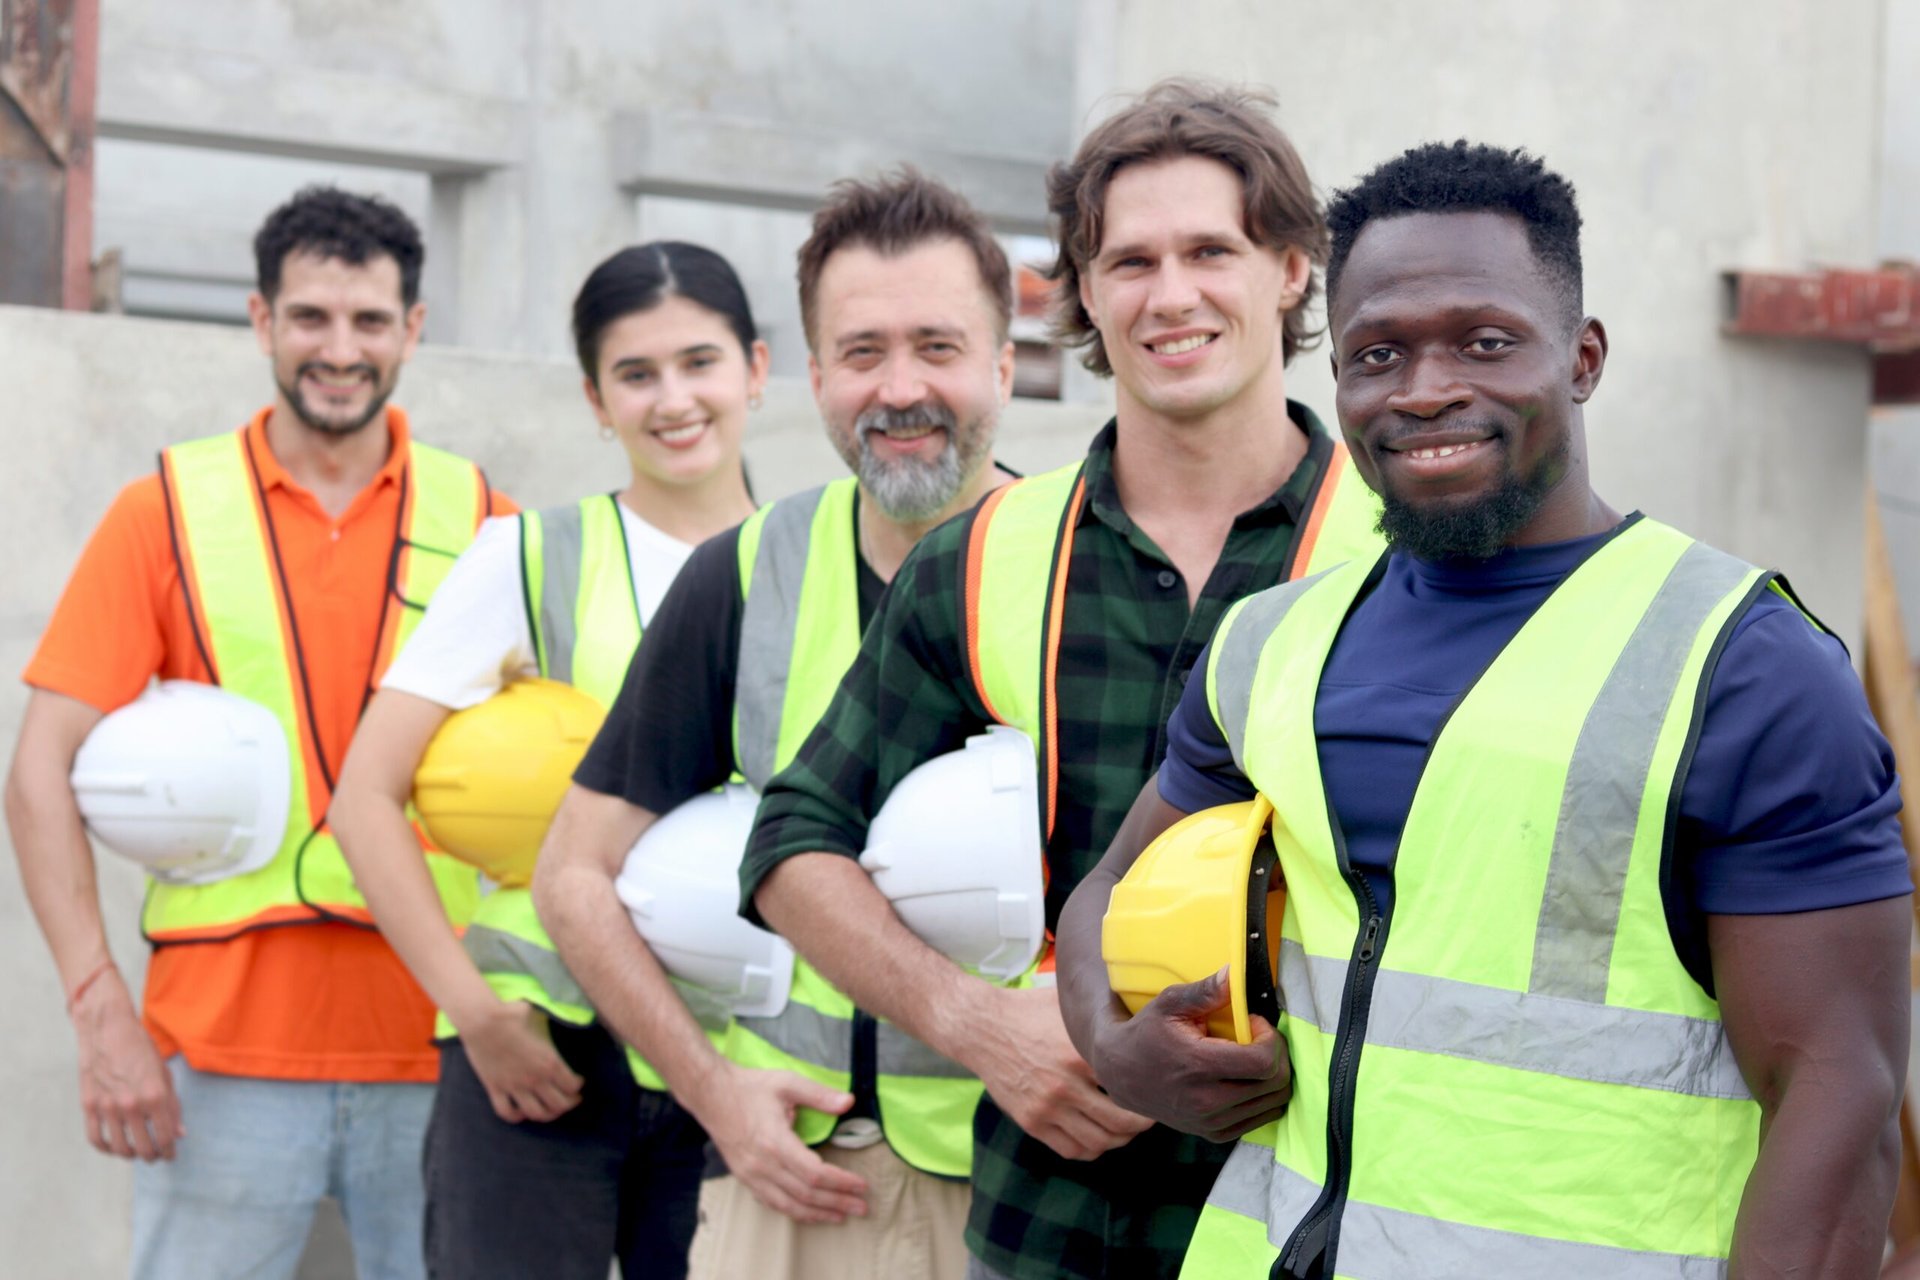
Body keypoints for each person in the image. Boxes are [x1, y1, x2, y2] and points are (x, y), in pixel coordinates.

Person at [1055, 142, 1913, 1279]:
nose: (1424, 389)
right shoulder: (1273, 644)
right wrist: (1115, 1047)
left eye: (1485, 340)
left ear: (1585, 357)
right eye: (1378, 354)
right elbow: (1103, 894)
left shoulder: (1743, 668)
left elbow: (1838, 1096)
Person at [741, 81, 1381, 1280]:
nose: (1170, 293)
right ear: (1081, 292)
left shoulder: (1402, 552)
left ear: (1293, 269)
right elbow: (790, 841)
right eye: (1128, 260)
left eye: (1211, 250)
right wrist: (981, 1027)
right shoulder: (983, 557)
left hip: (1330, 1219)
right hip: (1050, 1229)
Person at [4, 187, 515, 1280]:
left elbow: (544, 782)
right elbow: (38, 769)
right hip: (216, 1056)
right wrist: (99, 1009)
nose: (341, 349)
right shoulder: (167, 510)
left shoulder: (483, 518)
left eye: (371, 321)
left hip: (442, 1046)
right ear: (260, 318)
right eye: (311, 318)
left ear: (413, 329)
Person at [533, 169, 1019, 1280]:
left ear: (1005, 359)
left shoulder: (1086, 570)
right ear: (810, 376)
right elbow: (572, 875)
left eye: (938, 346)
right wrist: (715, 1092)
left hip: (1032, 1188)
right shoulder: (744, 577)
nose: (900, 387)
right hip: (797, 1184)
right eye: (861, 353)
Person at [328, 242, 766, 1279]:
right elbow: (364, 800)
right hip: (544, 1053)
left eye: (700, 361)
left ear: (755, 366)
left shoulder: (821, 559)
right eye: (636, 373)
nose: (674, 398)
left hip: (750, 1057)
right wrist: (476, 1013)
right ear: (593, 398)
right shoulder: (526, 557)